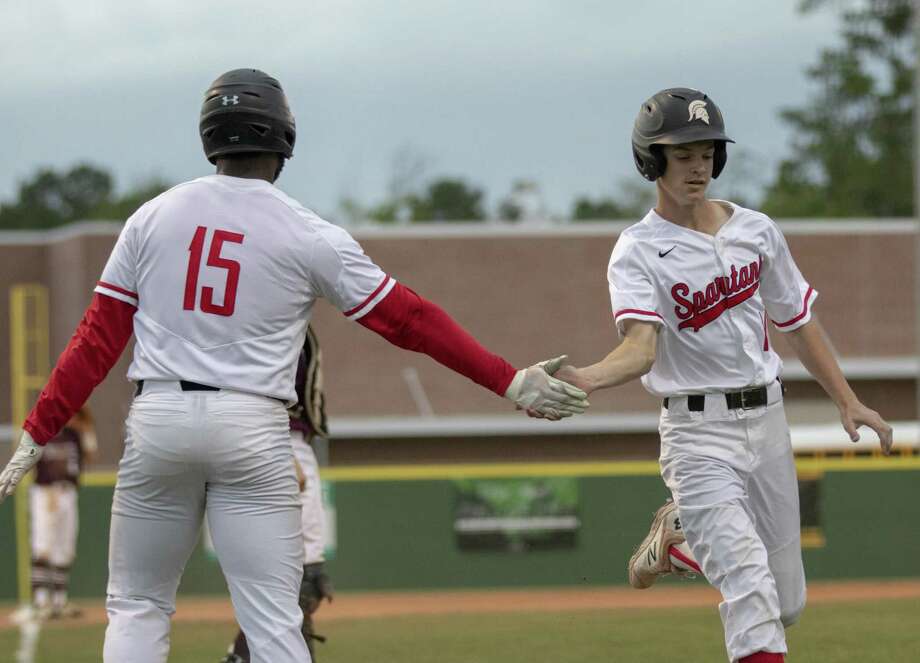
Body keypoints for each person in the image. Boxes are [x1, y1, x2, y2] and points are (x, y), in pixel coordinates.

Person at [0, 68, 589, 663]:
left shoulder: (152, 217)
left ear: (211, 136)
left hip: (159, 418)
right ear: (283, 139)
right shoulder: (308, 233)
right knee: (274, 622)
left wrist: (37, 430)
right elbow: (410, 320)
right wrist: (509, 379)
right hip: (253, 425)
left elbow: (96, 340)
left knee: (137, 606)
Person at [550, 88, 892, 663]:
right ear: (651, 161)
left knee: (787, 604)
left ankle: (682, 540)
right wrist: (586, 377)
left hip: (768, 419)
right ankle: (700, 531)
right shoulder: (637, 250)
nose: (698, 165)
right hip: (697, 435)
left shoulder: (755, 230)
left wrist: (847, 400)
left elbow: (799, 321)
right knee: (752, 597)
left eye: (707, 152)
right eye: (682, 154)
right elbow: (639, 348)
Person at [221, 325, 334, 663]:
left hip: (277, 442)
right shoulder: (267, 320)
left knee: (289, 583)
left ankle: (240, 657)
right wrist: (281, 451)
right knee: (300, 581)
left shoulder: (295, 324)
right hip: (278, 441)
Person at [29, 405, 97, 619]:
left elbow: (90, 455)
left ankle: (59, 602)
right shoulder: (42, 432)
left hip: (67, 491)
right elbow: (31, 461)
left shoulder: (74, 435)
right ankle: (41, 601)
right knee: (43, 545)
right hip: (45, 491)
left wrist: (86, 426)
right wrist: (47, 490)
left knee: (64, 546)